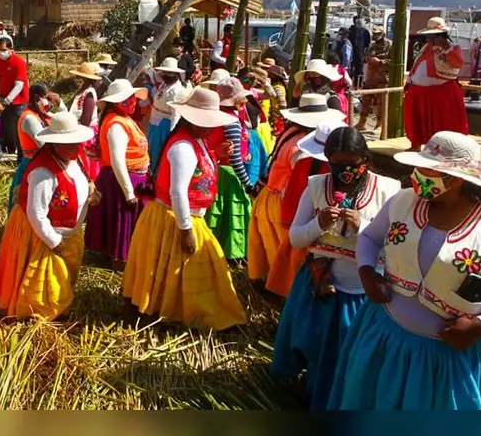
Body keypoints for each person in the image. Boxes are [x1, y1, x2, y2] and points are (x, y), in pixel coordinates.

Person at [329, 132, 481, 410]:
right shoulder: (402, 203)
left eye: (426, 171)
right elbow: (369, 237)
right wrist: (367, 273)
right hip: (386, 339)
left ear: (455, 179)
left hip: (451, 364)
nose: (416, 176)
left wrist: (480, 327)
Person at [272, 127, 401, 410]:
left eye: (352, 164)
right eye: (337, 164)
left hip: (363, 290)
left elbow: (396, 246)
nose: (345, 172)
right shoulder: (317, 186)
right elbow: (296, 238)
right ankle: (317, 396)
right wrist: (318, 224)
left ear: (365, 159)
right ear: (327, 159)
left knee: (354, 352)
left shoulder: (389, 190)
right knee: (319, 347)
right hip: (321, 283)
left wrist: (362, 227)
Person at [122, 87, 248, 330]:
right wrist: (186, 229)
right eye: (206, 122)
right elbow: (178, 191)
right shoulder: (183, 147)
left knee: (173, 269)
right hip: (175, 218)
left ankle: (175, 310)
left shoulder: (195, 141)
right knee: (188, 267)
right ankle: (187, 313)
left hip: (179, 216)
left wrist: (216, 154)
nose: (210, 127)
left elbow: (195, 171)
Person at [0, 112, 95, 320]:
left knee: (64, 277)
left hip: (69, 231)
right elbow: (36, 212)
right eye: (66, 143)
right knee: (45, 285)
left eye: (75, 142)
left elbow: (81, 183)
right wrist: (53, 241)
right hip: (44, 235)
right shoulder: (43, 171)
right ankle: (39, 315)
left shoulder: (74, 160)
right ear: (54, 143)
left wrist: (91, 194)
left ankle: (59, 308)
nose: (72, 147)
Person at [248, 94, 344, 293]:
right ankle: (285, 291)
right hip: (285, 201)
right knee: (286, 253)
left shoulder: (291, 131)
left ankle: (271, 286)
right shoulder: (303, 149)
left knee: (270, 247)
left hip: (270, 194)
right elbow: (297, 185)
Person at [86, 79, 150, 268]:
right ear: (116, 102)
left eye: (132, 97)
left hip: (129, 178)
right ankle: (119, 262)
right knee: (121, 221)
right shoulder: (116, 124)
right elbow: (117, 160)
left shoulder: (124, 119)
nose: (133, 101)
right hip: (121, 181)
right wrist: (129, 192)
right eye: (127, 98)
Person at [203, 75, 253, 259]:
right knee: (232, 214)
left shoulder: (215, 115)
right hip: (229, 174)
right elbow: (234, 158)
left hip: (214, 170)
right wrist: (248, 184)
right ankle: (231, 254)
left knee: (217, 214)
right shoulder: (230, 120)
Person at [403, 17, 468, 152]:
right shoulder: (426, 49)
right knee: (417, 120)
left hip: (441, 92)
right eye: (430, 36)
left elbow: (458, 63)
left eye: (433, 36)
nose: (430, 39)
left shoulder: (453, 48)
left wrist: (447, 49)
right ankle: (416, 145)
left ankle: (442, 149)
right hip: (419, 92)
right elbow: (416, 65)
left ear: (442, 35)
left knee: (442, 122)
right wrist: (409, 82)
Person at [7, 83, 57, 213]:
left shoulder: (40, 114)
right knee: (29, 205)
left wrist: (60, 104)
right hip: (32, 166)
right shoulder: (29, 118)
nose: (48, 102)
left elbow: (64, 120)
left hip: (41, 163)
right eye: (46, 98)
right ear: (36, 98)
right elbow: (43, 144)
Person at [0, 35, 30, 162]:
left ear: (11, 49)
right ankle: (15, 154)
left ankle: (23, 160)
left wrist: (6, 101)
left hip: (18, 102)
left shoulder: (19, 62)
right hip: (5, 99)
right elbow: (2, 79)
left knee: (19, 131)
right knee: (10, 131)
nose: (1, 53)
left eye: (3, 50)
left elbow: (19, 85)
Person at [147, 57, 187, 170]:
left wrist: (172, 132)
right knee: (151, 148)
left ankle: (156, 172)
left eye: (168, 73)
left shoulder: (176, 90)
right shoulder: (164, 85)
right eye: (164, 72)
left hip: (163, 125)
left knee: (158, 151)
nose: (164, 75)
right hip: (155, 121)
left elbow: (176, 114)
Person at [68, 62, 103, 182]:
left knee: (86, 165)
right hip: (80, 130)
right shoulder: (84, 91)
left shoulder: (89, 93)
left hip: (85, 133)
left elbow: (85, 120)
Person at [355, 26, 392, 131]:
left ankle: (379, 124)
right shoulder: (372, 45)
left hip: (383, 78)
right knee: (365, 100)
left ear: (383, 34)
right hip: (371, 77)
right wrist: (368, 59)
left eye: (377, 34)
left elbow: (395, 63)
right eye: (374, 34)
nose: (375, 36)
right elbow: (366, 56)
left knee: (381, 103)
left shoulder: (390, 46)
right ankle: (362, 122)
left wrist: (380, 62)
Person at [348, 16, 370, 84]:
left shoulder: (365, 31)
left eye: (360, 22)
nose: (358, 23)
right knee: (350, 69)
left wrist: (365, 54)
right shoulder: (350, 30)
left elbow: (367, 44)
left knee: (359, 70)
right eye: (357, 22)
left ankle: (358, 84)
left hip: (360, 54)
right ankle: (348, 84)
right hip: (351, 54)